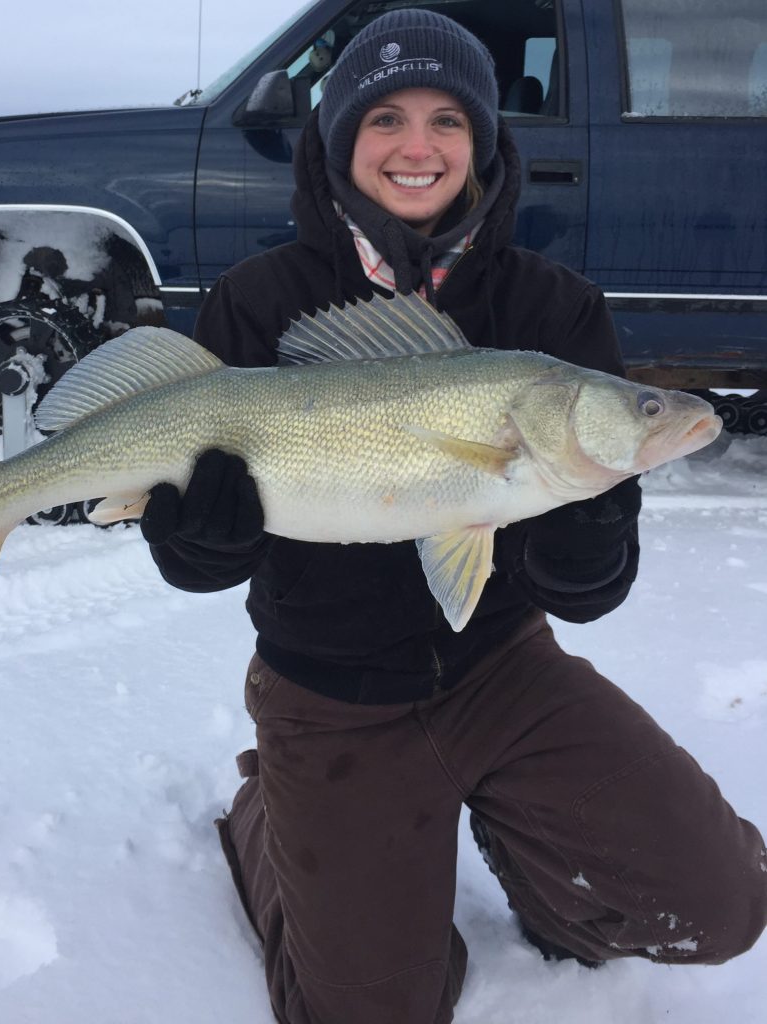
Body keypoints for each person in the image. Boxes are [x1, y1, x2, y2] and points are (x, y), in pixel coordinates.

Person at [139, 10, 767, 1022]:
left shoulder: (554, 312)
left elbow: (591, 591)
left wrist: (589, 535)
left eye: (448, 120)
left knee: (722, 903)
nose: (418, 147)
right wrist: (194, 538)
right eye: (385, 117)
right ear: (342, 138)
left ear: (484, 143)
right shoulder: (258, 302)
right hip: (329, 696)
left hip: (503, 671)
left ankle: (541, 873)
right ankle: (271, 815)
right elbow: (195, 557)